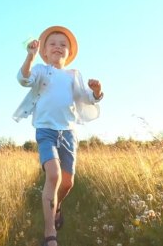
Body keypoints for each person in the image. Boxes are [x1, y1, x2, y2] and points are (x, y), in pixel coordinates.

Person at [13, 26, 103, 246]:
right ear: (44, 51)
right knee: (53, 175)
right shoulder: (41, 70)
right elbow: (23, 79)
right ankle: (49, 233)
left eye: (63, 45)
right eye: (52, 43)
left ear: (68, 53)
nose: (58, 47)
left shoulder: (73, 75)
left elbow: (87, 97)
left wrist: (97, 91)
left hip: (68, 133)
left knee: (67, 182)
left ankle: (57, 205)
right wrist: (29, 57)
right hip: (45, 130)